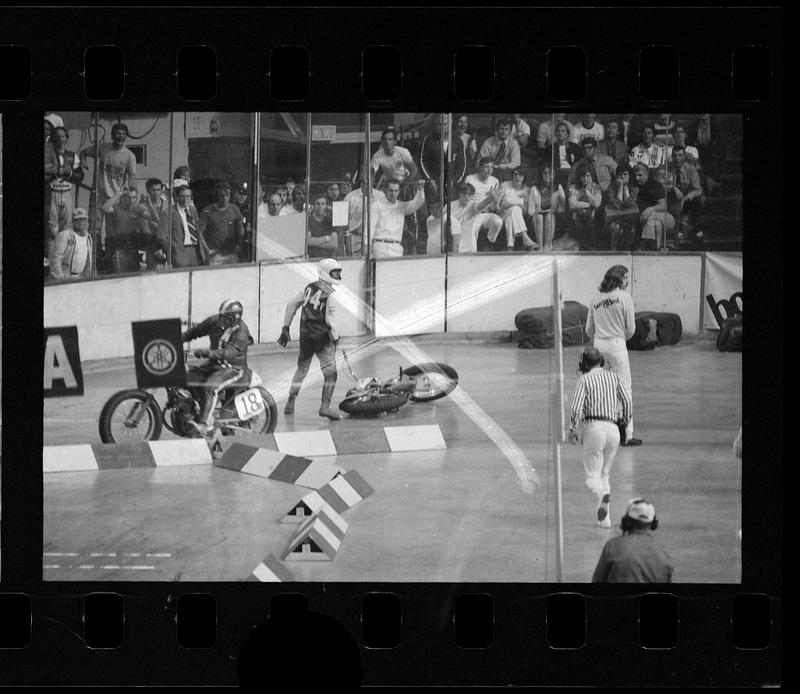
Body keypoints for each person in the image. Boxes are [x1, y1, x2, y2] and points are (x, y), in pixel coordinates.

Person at [569, 347, 633, 527]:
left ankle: (602, 495)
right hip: (613, 429)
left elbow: (576, 407)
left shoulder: (584, 380)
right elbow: (627, 402)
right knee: (605, 474)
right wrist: (624, 424)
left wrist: (572, 428)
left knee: (592, 477)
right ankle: (604, 520)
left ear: (584, 363)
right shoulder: (615, 377)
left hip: (594, 427)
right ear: (602, 361)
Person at [278, 258, 343, 421]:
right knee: (331, 374)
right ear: (325, 273)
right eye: (335, 272)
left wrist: (285, 327)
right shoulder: (331, 294)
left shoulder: (309, 288)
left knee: (301, 370)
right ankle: (325, 407)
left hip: (305, 336)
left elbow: (292, 304)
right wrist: (336, 337)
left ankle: (290, 401)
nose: (337, 275)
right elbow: (330, 319)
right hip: (322, 339)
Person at [585, 265, 641, 446]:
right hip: (617, 345)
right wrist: (620, 337)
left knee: (601, 391)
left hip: (599, 346)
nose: (627, 282)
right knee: (624, 390)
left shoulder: (595, 299)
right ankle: (626, 434)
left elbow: (588, 330)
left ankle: (599, 433)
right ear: (618, 279)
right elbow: (631, 329)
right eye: (626, 278)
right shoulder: (625, 298)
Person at [181, 299, 254, 435]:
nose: (221, 320)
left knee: (210, 387)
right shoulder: (216, 321)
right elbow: (195, 331)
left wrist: (207, 353)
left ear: (233, 319)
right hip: (214, 365)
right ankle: (194, 410)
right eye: (221, 316)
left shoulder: (241, 333)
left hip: (234, 369)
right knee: (185, 376)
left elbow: (228, 352)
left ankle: (204, 425)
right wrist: (178, 339)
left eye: (225, 318)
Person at [592, 499, 674, 583]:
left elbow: (597, 581)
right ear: (653, 525)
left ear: (626, 522)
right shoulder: (664, 557)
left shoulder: (613, 546)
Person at [369, 179, 425, 259]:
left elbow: (418, 203)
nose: (393, 194)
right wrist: (366, 247)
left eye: (396, 191)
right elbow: (369, 229)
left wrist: (420, 189)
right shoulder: (376, 206)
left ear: (399, 191)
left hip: (396, 249)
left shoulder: (401, 206)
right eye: (390, 191)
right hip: (379, 248)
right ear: (385, 190)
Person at [157, 183, 209, 268]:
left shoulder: (192, 210)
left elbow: (198, 230)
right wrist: (172, 251)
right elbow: (161, 237)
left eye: (188, 196)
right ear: (176, 197)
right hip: (180, 252)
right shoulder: (168, 213)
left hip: (196, 251)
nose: (185, 199)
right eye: (182, 196)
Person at [200, 180, 244, 264]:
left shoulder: (234, 209)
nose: (225, 198)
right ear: (217, 195)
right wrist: (207, 250)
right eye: (222, 195)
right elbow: (200, 232)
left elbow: (240, 229)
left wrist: (239, 244)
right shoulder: (207, 211)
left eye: (227, 195)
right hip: (215, 255)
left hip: (231, 254)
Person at [632, 163, 674, 250]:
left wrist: (651, 209)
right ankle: (655, 248)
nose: (637, 178)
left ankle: (643, 245)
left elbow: (663, 206)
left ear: (647, 174)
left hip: (666, 217)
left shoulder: (655, 185)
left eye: (640, 175)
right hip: (650, 220)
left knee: (650, 216)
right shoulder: (635, 187)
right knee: (656, 224)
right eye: (635, 175)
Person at [48, 207, 94, 281]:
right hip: (65, 277)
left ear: (87, 221)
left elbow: (88, 261)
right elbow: (55, 258)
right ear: (73, 221)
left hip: (80, 277)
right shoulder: (64, 235)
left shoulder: (88, 237)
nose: (81, 222)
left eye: (83, 219)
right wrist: (60, 279)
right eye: (77, 220)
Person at [497, 167, 538, 250]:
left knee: (512, 216)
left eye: (520, 175)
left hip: (517, 216)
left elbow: (526, 210)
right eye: (515, 174)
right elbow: (500, 205)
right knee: (515, 208)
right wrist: (518, 203)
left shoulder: (527, 190)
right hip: (503, 213)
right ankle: (525, 236)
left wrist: (516, 205)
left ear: (524, 177)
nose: (517, 177)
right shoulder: (505, 184)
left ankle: (510, 246)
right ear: (512, 176)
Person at [528, 165, 566, 252]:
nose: (547, 175)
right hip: (537, 216)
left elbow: (562, 208)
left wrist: (554, 210)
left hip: (553, 215)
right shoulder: (535, 188)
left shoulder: (558, 187)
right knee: (539, 217)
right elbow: (530, 211)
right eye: (545, 173)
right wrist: (538, 211)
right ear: (541, 175)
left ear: (554, 174)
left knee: (549, 216)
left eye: (550, 173)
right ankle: (540, 246)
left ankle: (548, 246)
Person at [569, 169, 603, 249]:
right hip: (577, 214)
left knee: (590, 224)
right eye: (583, 176)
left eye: (588, 176)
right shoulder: (573, 187)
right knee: (578, 225)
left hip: (592, 215)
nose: (585, 178)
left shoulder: (596, 187)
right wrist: (589, 204)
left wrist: (587, 192)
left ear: (591, 176)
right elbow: (572, 204)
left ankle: (591, 248)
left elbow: (597, 203)